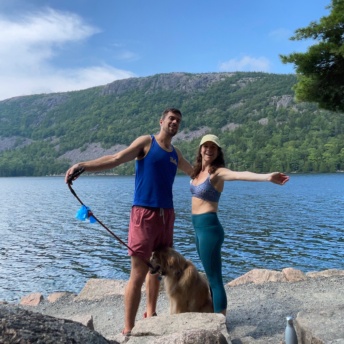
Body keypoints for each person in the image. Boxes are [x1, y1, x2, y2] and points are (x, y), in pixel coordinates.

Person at [65, 108, 193, 335]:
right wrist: (83, 165)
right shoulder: (147, 142)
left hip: (167, 215)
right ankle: (129, 329)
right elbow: (115, 158)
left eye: (178, 121)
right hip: (144, 214)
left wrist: (216, 172)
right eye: (171, 119)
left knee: (158, 267)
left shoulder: (176, 153)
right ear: (162, 121)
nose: (175, 122)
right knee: (138, 272)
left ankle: (151, 313)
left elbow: (194, 173)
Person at [190, 134, 289, 315]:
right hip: (198, 229)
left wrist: (267, 177)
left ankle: (221, 319)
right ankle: (215, 313)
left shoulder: (217, 172)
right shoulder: (196, 172)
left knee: (215, 279)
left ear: (218, 152)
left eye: (213, 147)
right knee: (210, 274)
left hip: (209, 229)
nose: (209, 150)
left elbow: (239, 175)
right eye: (206, 146)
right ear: (200, 148)